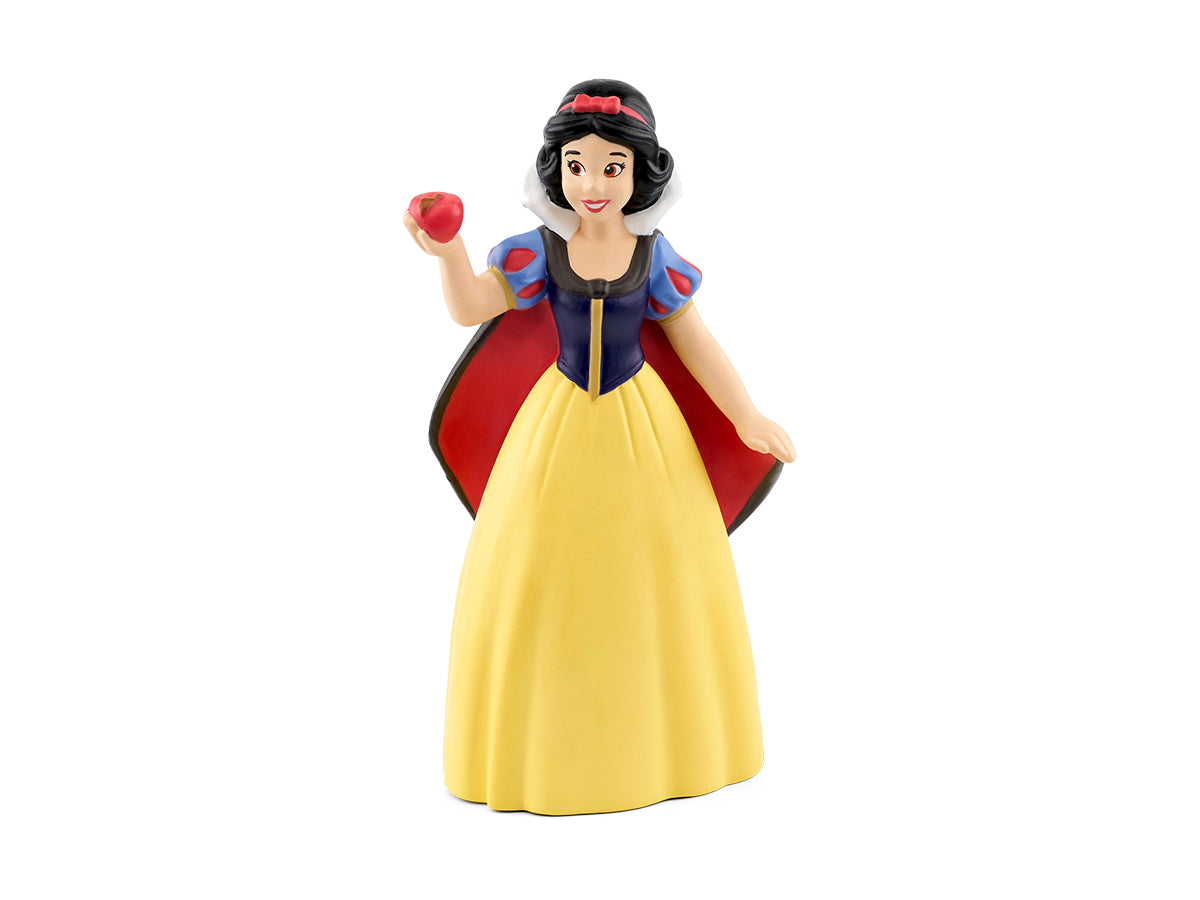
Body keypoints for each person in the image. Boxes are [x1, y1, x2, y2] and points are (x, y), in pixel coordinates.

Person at [404, 79, 795, 815]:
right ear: (557, 170)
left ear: (639, 174)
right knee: (540, 575)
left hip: (644, 433)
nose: (592, 184)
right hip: (553, 433)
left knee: (659, 580)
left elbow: (696, 342)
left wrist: (746, 416)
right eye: (577, 165)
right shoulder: (536, 252)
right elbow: (471, 309)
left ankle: (672, 743)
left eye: (611, 167)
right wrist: (448, 251)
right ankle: (545, 746)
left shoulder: (653, 256)